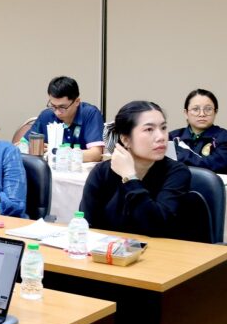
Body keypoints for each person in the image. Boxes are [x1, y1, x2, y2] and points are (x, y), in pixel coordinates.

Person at [80, 101, 191, 238]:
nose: (161, 137)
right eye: (149, 129)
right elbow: (87, 225)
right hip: (109, 249)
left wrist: (130, 178)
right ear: (126, 139)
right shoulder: (101, 172)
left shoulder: (177, 172)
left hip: (161, 249)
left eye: (163, 128)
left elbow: (157, 227)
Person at [25, 76, 104, 162]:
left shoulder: (90, 114)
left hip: (81, 168)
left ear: (77, 101)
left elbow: (96, 154)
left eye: (62, 107)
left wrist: (59, 153)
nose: (57, 112)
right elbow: (21, 145)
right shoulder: (46, 115)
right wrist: (33, 148)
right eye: (53, 106)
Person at [169, 88, 227, 175]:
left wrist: (181, 156)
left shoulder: (225, 138)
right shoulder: (172, 137)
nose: (202, 114)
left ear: (215, 112)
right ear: (186, 113)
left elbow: (214, 167)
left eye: (208, 109)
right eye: (195, 109)